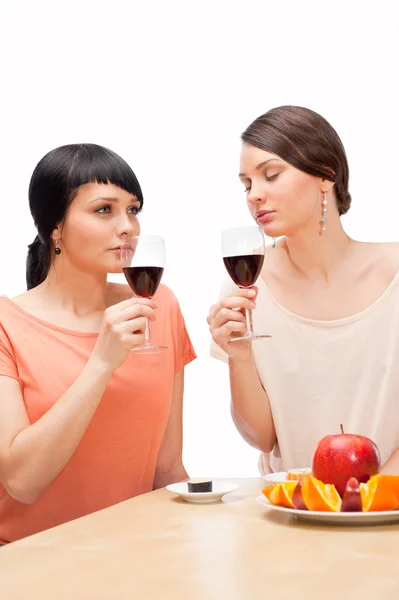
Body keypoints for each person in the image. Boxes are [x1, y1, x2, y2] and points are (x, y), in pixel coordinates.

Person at [0, 143, 196, 545]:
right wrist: (102, 363)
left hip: (136, 558)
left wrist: (191, 547)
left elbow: (167, 468)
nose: (127, 226)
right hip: (30, 565)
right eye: (104, 210)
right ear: (55, 227)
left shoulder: (159, 305)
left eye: (133, 210)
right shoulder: (7, 324)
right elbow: (22, 482)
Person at [208, 105, 399, 477]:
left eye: (271, 175)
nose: (254, 196)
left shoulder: (396, 272)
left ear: (326, 175)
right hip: (291, 511)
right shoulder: (246, 285)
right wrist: (239, 357)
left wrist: (374, 498)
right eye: (247, 184)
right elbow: (261, 438)